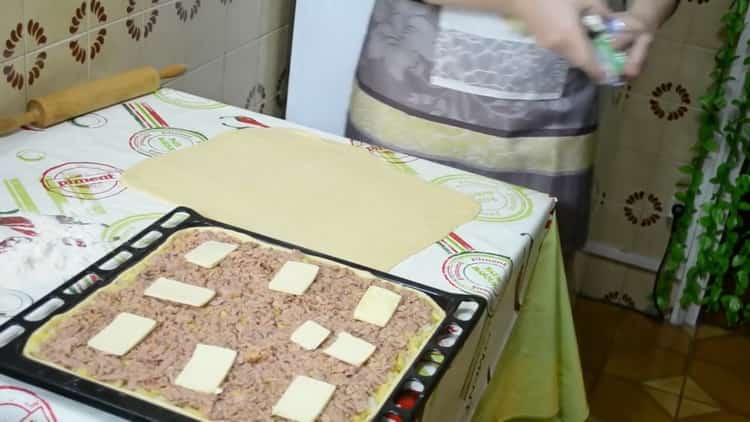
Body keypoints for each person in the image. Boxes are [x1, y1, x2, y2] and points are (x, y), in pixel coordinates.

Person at [346, 0, 678, 279]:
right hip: (409, 106)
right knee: (381, 278)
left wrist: (644, 16)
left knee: (525, 291)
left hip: (547, 133)